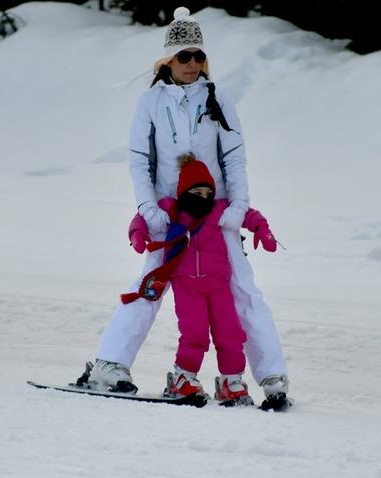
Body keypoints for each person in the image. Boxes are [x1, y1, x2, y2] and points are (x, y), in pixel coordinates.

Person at [86, 6, 290, 408]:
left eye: (199, 56)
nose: (192, 64)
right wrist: (147, 209)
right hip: (168, 216)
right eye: (184, 56)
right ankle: (110, 364)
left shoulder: (219, 98)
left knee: (243, 292)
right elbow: (138, 160)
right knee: (148, 288)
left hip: (216, 215)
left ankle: (271, 375)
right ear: (168, 59)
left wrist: (240, 206)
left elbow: (234, 156)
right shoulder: (150, 102)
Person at [122, 153, 278, 406]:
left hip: (218, 285)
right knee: (194, 333)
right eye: (197, 193)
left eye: (208, 193)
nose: (203, 198)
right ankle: (183, 377)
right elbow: (141, 218)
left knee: (230, 332)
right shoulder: (171, 209)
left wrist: (263, 228)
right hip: (187, 285)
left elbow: (248, 214)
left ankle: (231, 380)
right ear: (184, 192)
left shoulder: (218, 210)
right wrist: (137, 234)